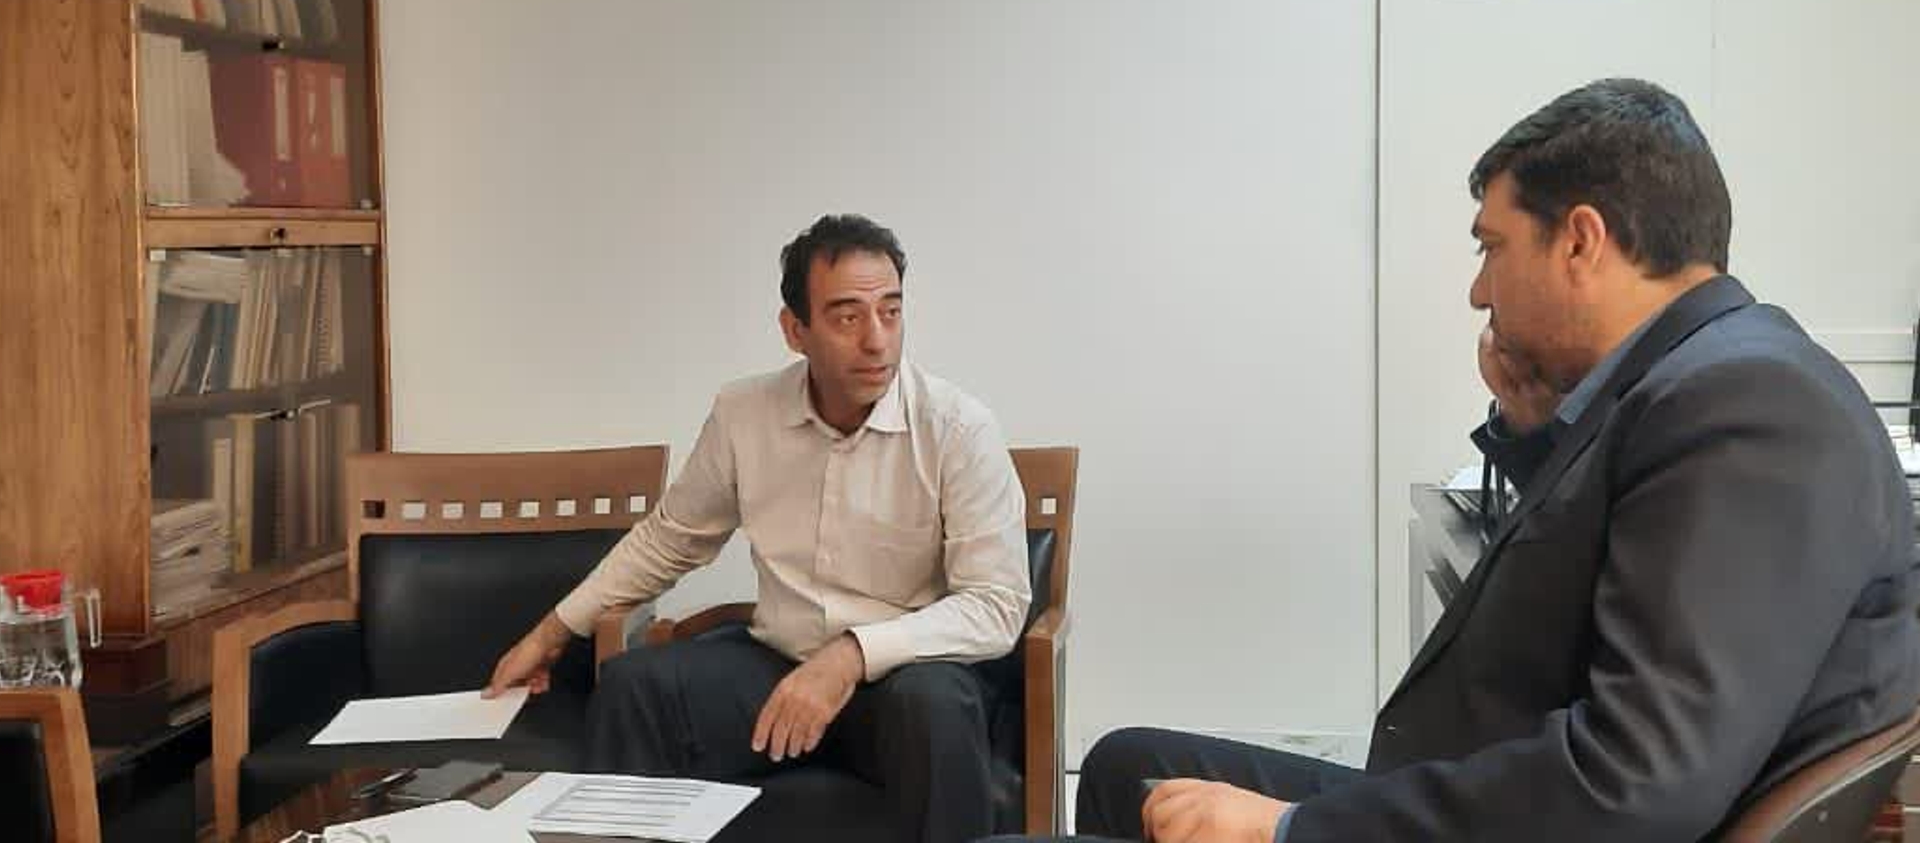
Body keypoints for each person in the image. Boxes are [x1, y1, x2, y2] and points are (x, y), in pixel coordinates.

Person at [1002, 78, 1920, 843]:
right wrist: (1533, 427)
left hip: (1513, 816)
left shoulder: (1748, 407)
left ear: (1581, 241)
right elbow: (1606, 546)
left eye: (1492, 247)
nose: (1479, 289)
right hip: (1489, 790)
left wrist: (1289, 829)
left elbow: (1634, 785)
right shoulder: (1701, 378)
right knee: (1128, 768)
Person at [485, 213, 1031, 843]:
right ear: (795, 330)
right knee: (636, 690)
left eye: (891, 311)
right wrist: (551, 633)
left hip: (908, 676)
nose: (877, 341)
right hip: (778, 663)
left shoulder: (958, 429)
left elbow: (996, 604)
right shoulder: (745, 415)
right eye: (848, 317)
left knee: (933, 708)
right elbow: (671, 538)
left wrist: (850, 656)